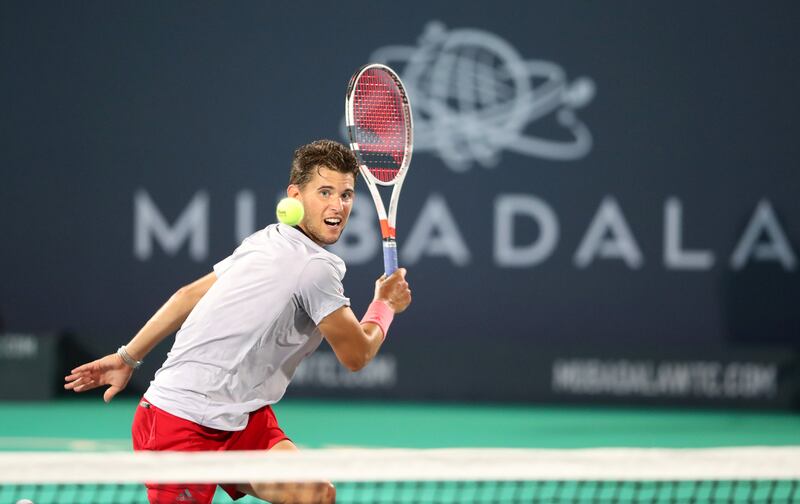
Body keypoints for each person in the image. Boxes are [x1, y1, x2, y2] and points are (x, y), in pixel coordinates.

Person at [64, 139, 412, 504]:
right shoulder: (314, 269)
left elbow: (187, 295)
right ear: (295, 195)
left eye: (346, 195)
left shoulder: (267, 239)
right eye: (324, 192)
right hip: (180, 421)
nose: (337, 206)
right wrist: (384, 305)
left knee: (314, 494)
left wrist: (126, 358)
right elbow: (356, 355)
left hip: (239, 417)